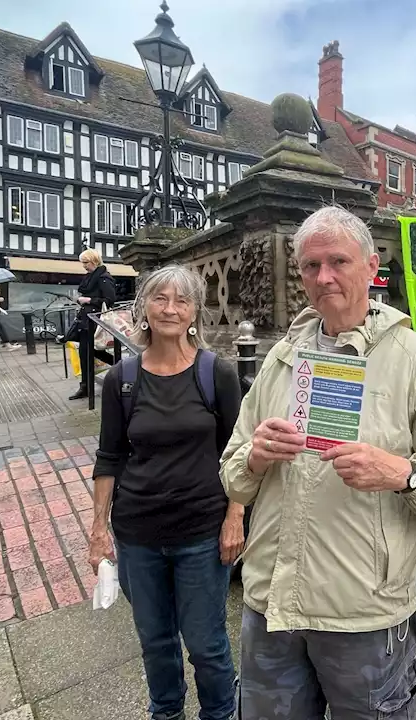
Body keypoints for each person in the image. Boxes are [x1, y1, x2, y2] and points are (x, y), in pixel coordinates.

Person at [221, 205, 416, 719]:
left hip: (362, 617)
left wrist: (404, 474)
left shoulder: (415, 359)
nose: (323, 277)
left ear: (372, 267)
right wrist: (254, 458)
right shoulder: (282, 359)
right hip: (271, 606)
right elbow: (232, 471)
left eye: (338, 262)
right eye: (310, 265)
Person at [91, 264, 245, 720]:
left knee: (206, 643)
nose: (170, 309)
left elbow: (237, 453)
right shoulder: (121, 379)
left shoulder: (216, 374)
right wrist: (98, 530)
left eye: (181, 300)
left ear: (195, 310)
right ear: (143, 308)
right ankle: (167, 713)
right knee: (156, 642)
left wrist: (235, 517)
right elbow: (109, 457)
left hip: (201, 532)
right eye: (160, 298)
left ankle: (219, 713)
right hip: (138, 533)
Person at [68, 248, 117, 401]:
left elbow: (110, 300)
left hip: (95, 320)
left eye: (86, 262)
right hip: (86, 319)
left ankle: (119, 365)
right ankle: (85, 386)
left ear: (94, 261)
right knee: (84, 352)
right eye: (82, 263)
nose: (84, 266)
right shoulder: (91, 277)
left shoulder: (104, 277)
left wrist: (88, 300)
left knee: (91, 351)